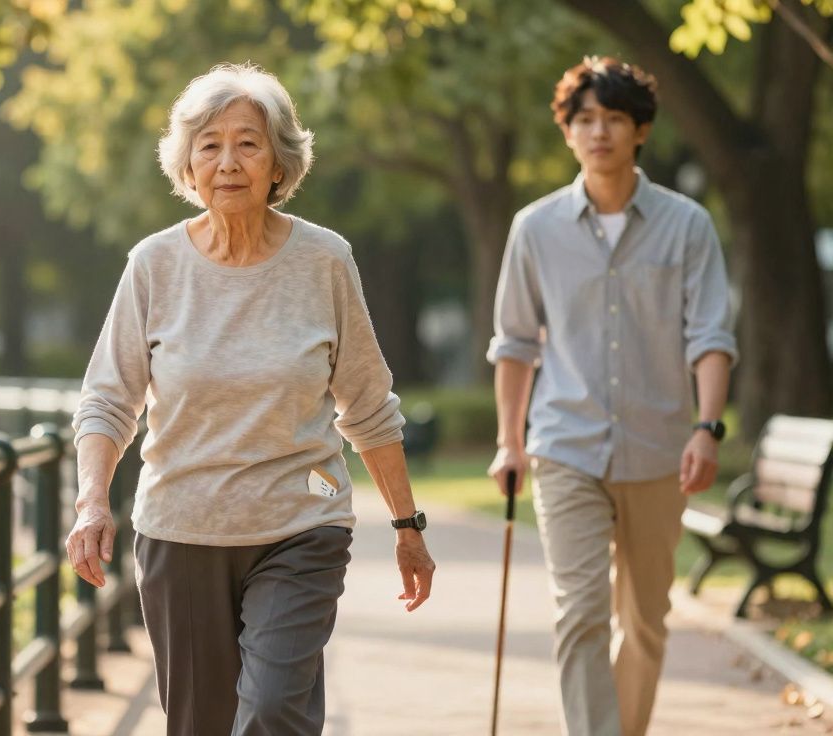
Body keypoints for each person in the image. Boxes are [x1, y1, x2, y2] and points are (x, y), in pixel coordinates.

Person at [66, 62, 435, 736]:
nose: (228, 161)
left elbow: (368, 404)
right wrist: (92, 500)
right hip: (182, 528)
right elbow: (108, 400)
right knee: (200, 723)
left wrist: (407, 527)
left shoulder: (324, 262)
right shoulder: (154, 266)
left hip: (302, 524)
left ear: (278, 163)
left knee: (272, 709)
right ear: (187, 165)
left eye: (248, 142)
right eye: (209, 144)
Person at [487, 56, 737, 736]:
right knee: (581, 612)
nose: (599, 132)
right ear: (567, 133)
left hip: (659, 449)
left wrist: (706, 427)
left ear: (641, 131)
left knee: (647, 620)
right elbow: (514, 343)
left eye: (614, 119)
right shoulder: (533, 229)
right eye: (585, 119)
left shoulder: (687, 226)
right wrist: (510, 441)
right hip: (566, 446)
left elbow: (711, 333)